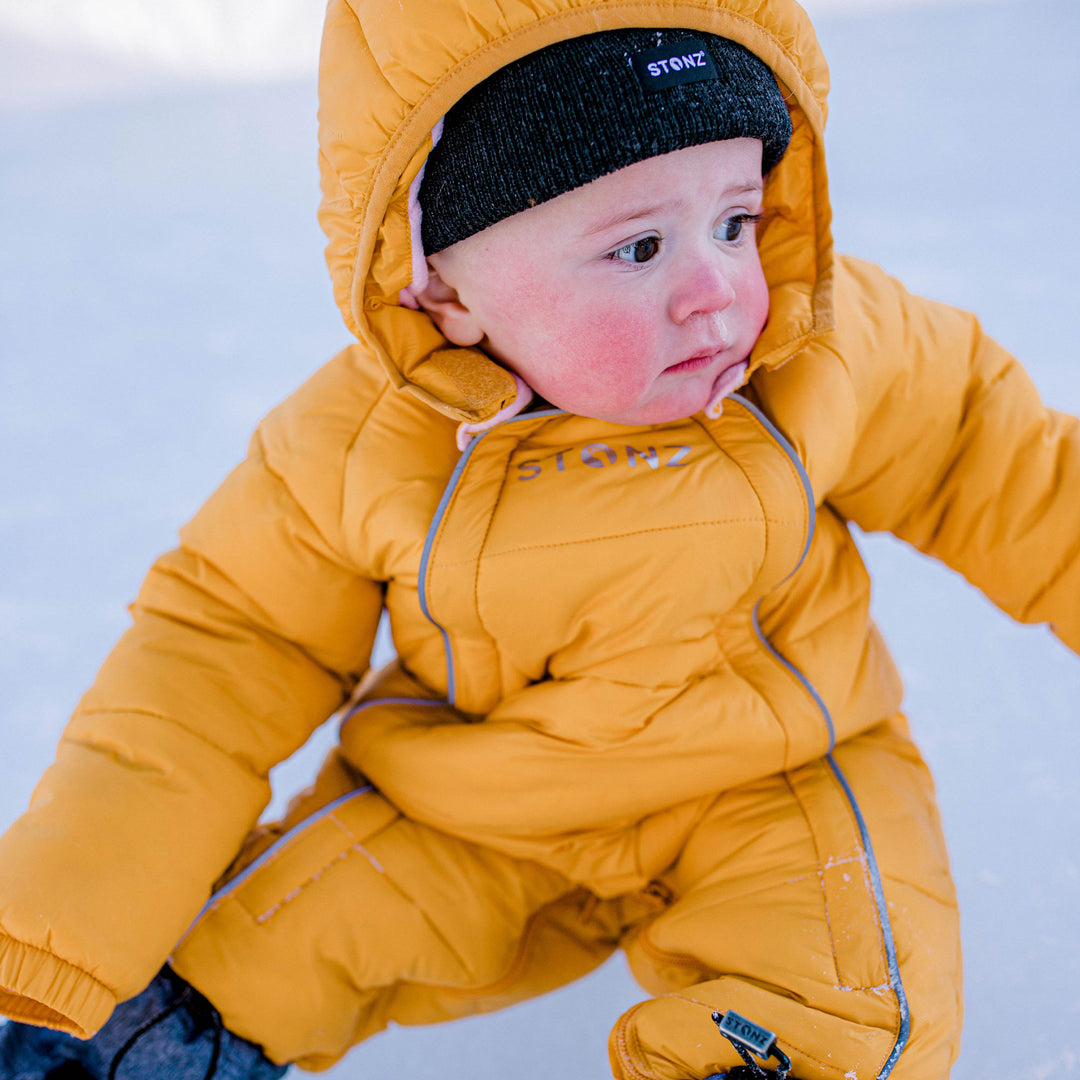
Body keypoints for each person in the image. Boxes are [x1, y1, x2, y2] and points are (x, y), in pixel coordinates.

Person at [0, 1, 1077, 1078]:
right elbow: (217, 656)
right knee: (217, 974)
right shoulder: (358, 448)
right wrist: (65, 918)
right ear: (440, 286)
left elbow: (1011, 470)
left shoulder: (826, 351)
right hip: (475, 809)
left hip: (782, 784)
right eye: (640, 246)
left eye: (737, 223)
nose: (716, 294)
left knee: (845, 1011)